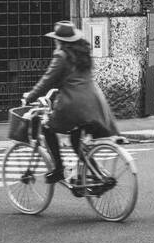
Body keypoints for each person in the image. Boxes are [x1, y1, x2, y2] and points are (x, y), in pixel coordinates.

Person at [23, 21, 120, 184]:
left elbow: (47, 80)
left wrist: (29, 97)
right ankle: (99, 177)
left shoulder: (61, 55)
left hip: (73, 105)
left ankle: (59, 169)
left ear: (59, 40)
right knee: (76, 141)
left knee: (47, 128)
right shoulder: (83, 53)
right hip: (94, 102)